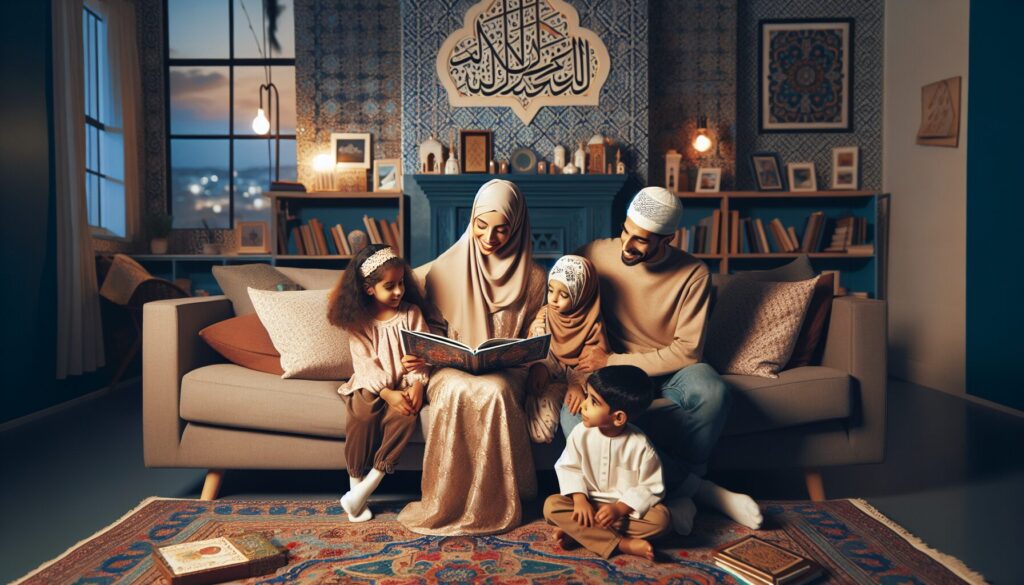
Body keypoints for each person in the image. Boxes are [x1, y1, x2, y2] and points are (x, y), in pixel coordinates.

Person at [565, 186, 763, 533]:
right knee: (575, 420)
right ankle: (697, 493)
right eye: (624, 232)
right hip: (613, 376)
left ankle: (681, 487)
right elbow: (564, 307)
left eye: (640, 240)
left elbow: (687, 350)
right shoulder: (595, 253)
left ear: (668, 238)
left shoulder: (693, 274)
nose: (626, 245)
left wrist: (610, 361)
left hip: (668, 369)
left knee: (714, 391)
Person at [397, 179, 547, 535]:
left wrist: (535, 357)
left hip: (507, 370)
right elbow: (430, 328)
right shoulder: (442, 270)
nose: (490, 237)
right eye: (481, 225)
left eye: (501, 229)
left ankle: (494, 505)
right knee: (456, 390)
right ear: (471, 221)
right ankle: (445, 504)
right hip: (450, 367)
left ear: (517, 228)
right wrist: (425, 355)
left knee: (494, 392)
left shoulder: (535, 278)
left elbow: (535, 335)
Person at [327, 244, 431, 523]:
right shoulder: (359, 321)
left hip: (404, 386)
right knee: (362, 411)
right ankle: (354, 484)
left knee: (406, 416)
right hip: (371, 386)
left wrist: (418, 384)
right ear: (369, 288)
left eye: (400, 284)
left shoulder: (411, 315)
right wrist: (387, 393)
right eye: (390, 286)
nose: (398, 291)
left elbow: (424, 355)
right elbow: (366, 366)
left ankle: (367, 487)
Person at [544, 365, 669, 561]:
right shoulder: (580, 433)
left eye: (593, 402)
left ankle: (581, 533)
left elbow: (650, 487)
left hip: (623, 510)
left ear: (618, 417)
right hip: (589, 503)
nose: (583, 405)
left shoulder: (640, 445)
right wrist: (579, 500)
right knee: (551, 506)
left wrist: (618, 509)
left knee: (661, 520)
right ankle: (621, 544)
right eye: (587, 396)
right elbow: (569, 467)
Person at [525, 255, 610, 443]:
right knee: (539, 427)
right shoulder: (545, 314)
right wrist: (540, 367)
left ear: (582, 296)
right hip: (549, 375)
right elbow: (535, 345)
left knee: (576, 411)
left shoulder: (592, 324)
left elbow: (594, 361)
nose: (553, 299)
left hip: (579, 381)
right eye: (550, 290)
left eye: (564, 295)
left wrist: (578, 385)